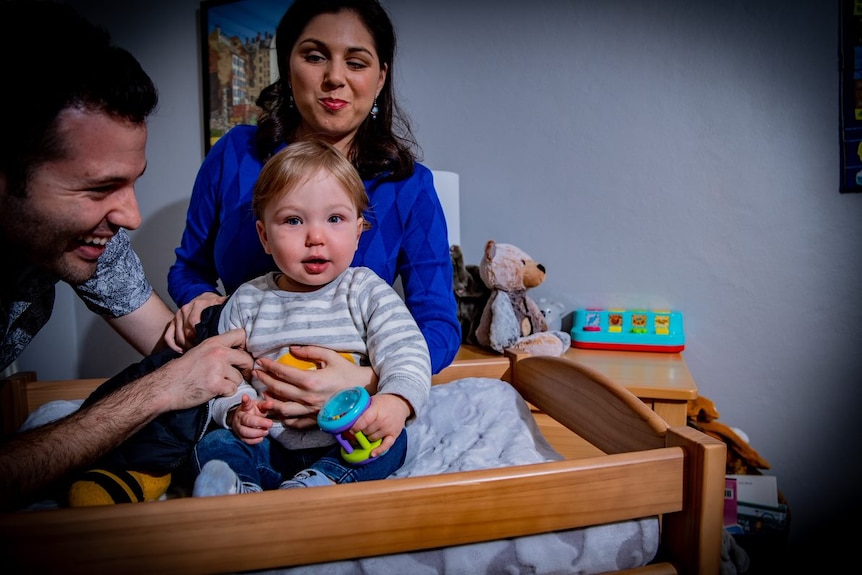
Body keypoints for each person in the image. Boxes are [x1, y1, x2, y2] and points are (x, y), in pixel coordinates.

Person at [0, 0, 253, 510]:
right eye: (100, 189)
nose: (131, 216)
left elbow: (175, 350)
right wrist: (157, 391)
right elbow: (169, 378)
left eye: (133, 183)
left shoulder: (95, 244)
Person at [166, 0, 458, 427]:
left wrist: (368, 379)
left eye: (355, 62)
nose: (334, 78)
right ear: (288, 65)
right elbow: (188, 268)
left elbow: (438, 323)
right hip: (248, 396)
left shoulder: (410, 186)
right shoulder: (234, 154)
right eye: (315, 56)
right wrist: (200, 301)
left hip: (347, 408)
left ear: (380, 78)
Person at [192, 139, 431, 496]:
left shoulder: (366, 291)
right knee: (212, 445)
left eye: (335, 219)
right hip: (270, 444)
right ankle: (241, 490)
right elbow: (222, 376)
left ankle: (320, 482)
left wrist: (395, 401)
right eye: (293, 220)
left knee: (392, 442)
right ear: (264, 236)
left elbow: (407, 351)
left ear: (357, 232)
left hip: (345, 441)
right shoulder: (248, 300)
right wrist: (235, 412)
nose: (315, 237)